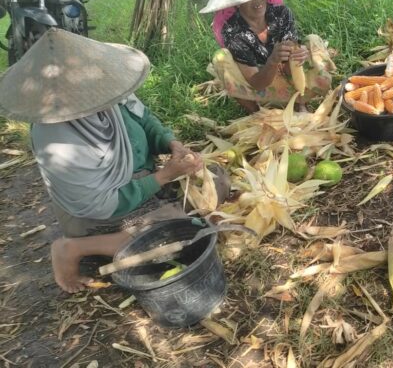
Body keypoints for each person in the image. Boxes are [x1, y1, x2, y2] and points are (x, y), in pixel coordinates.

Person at [0, 29, 225, 293]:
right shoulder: (58, 140)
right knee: (174, 237)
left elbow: (144, 119)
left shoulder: (105, 90)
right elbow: (101, 204)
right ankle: (72, 248)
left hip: (141, 180)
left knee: (216, 179)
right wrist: (165, 176)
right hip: (101, 212)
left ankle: (162, 215)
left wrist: (171, 144)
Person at [200, 0, 333, 113]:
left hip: (286, 79)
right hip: (259, 86)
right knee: (221, 58)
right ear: (236, 2)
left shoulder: (281, 14)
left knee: (313, 40)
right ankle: (257, 113)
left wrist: (298, 57)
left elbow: (290, 70)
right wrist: (272, 61)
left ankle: (299, 102)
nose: (258, 0)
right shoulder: (234, 32)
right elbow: (256, 83)